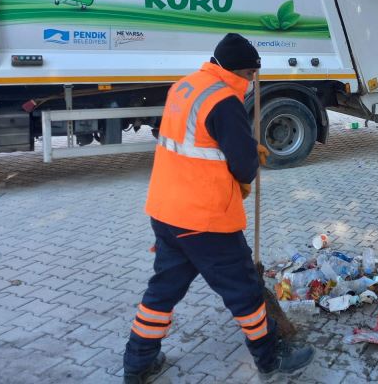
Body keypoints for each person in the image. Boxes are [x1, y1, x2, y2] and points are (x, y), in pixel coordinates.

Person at [122, 33, 314, 383]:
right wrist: (248, 161)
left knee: (162, 292)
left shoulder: (184, 86)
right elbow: (242, 165)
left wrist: (241, 147)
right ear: (242, 71)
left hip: (166, 213)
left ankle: (137, 363)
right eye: (251, 75)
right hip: (205, 220)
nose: (252, 81)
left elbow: (196, 142)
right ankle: (271, 358)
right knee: (245, 293)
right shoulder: (224, 100)